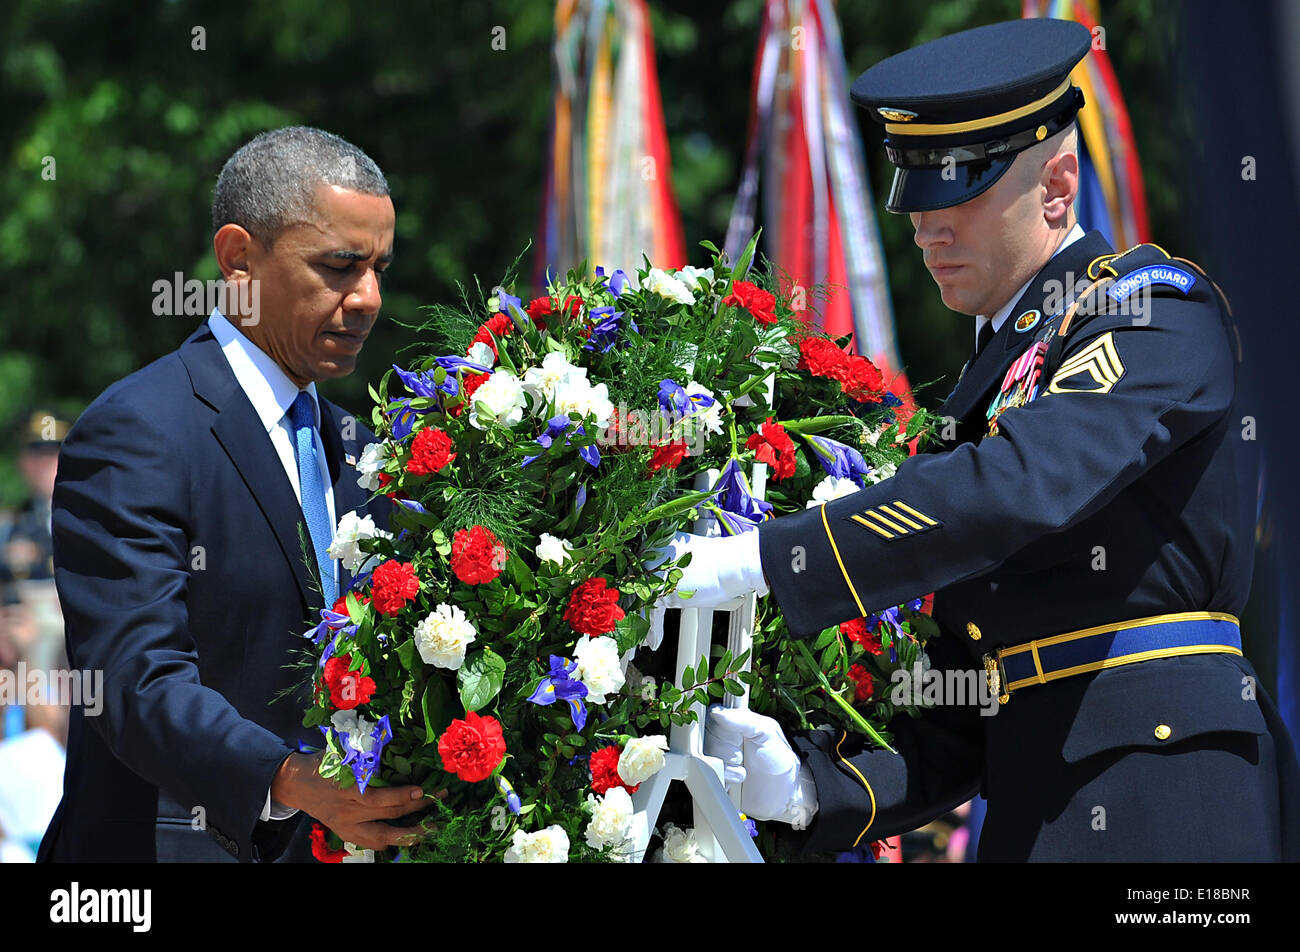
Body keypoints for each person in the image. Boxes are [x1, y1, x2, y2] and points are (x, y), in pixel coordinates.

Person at [665, 18, 1300, 861]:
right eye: (917, 201)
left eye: (960, 194)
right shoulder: (995, 376)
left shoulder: (1153, 310)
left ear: (1059, 186)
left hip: (1162, 802)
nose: (928, 229)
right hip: (1035, 810)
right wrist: (821, 786)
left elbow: (1020, 484)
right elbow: (981, 679)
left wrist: (770, 561)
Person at [38, 127, 427, 862]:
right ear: (239, 260)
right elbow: (133, 680)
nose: (369, 297)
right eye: (340, 266)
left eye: (379, 266)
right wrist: (288, 780)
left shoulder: (362, 447)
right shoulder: (140, 429)